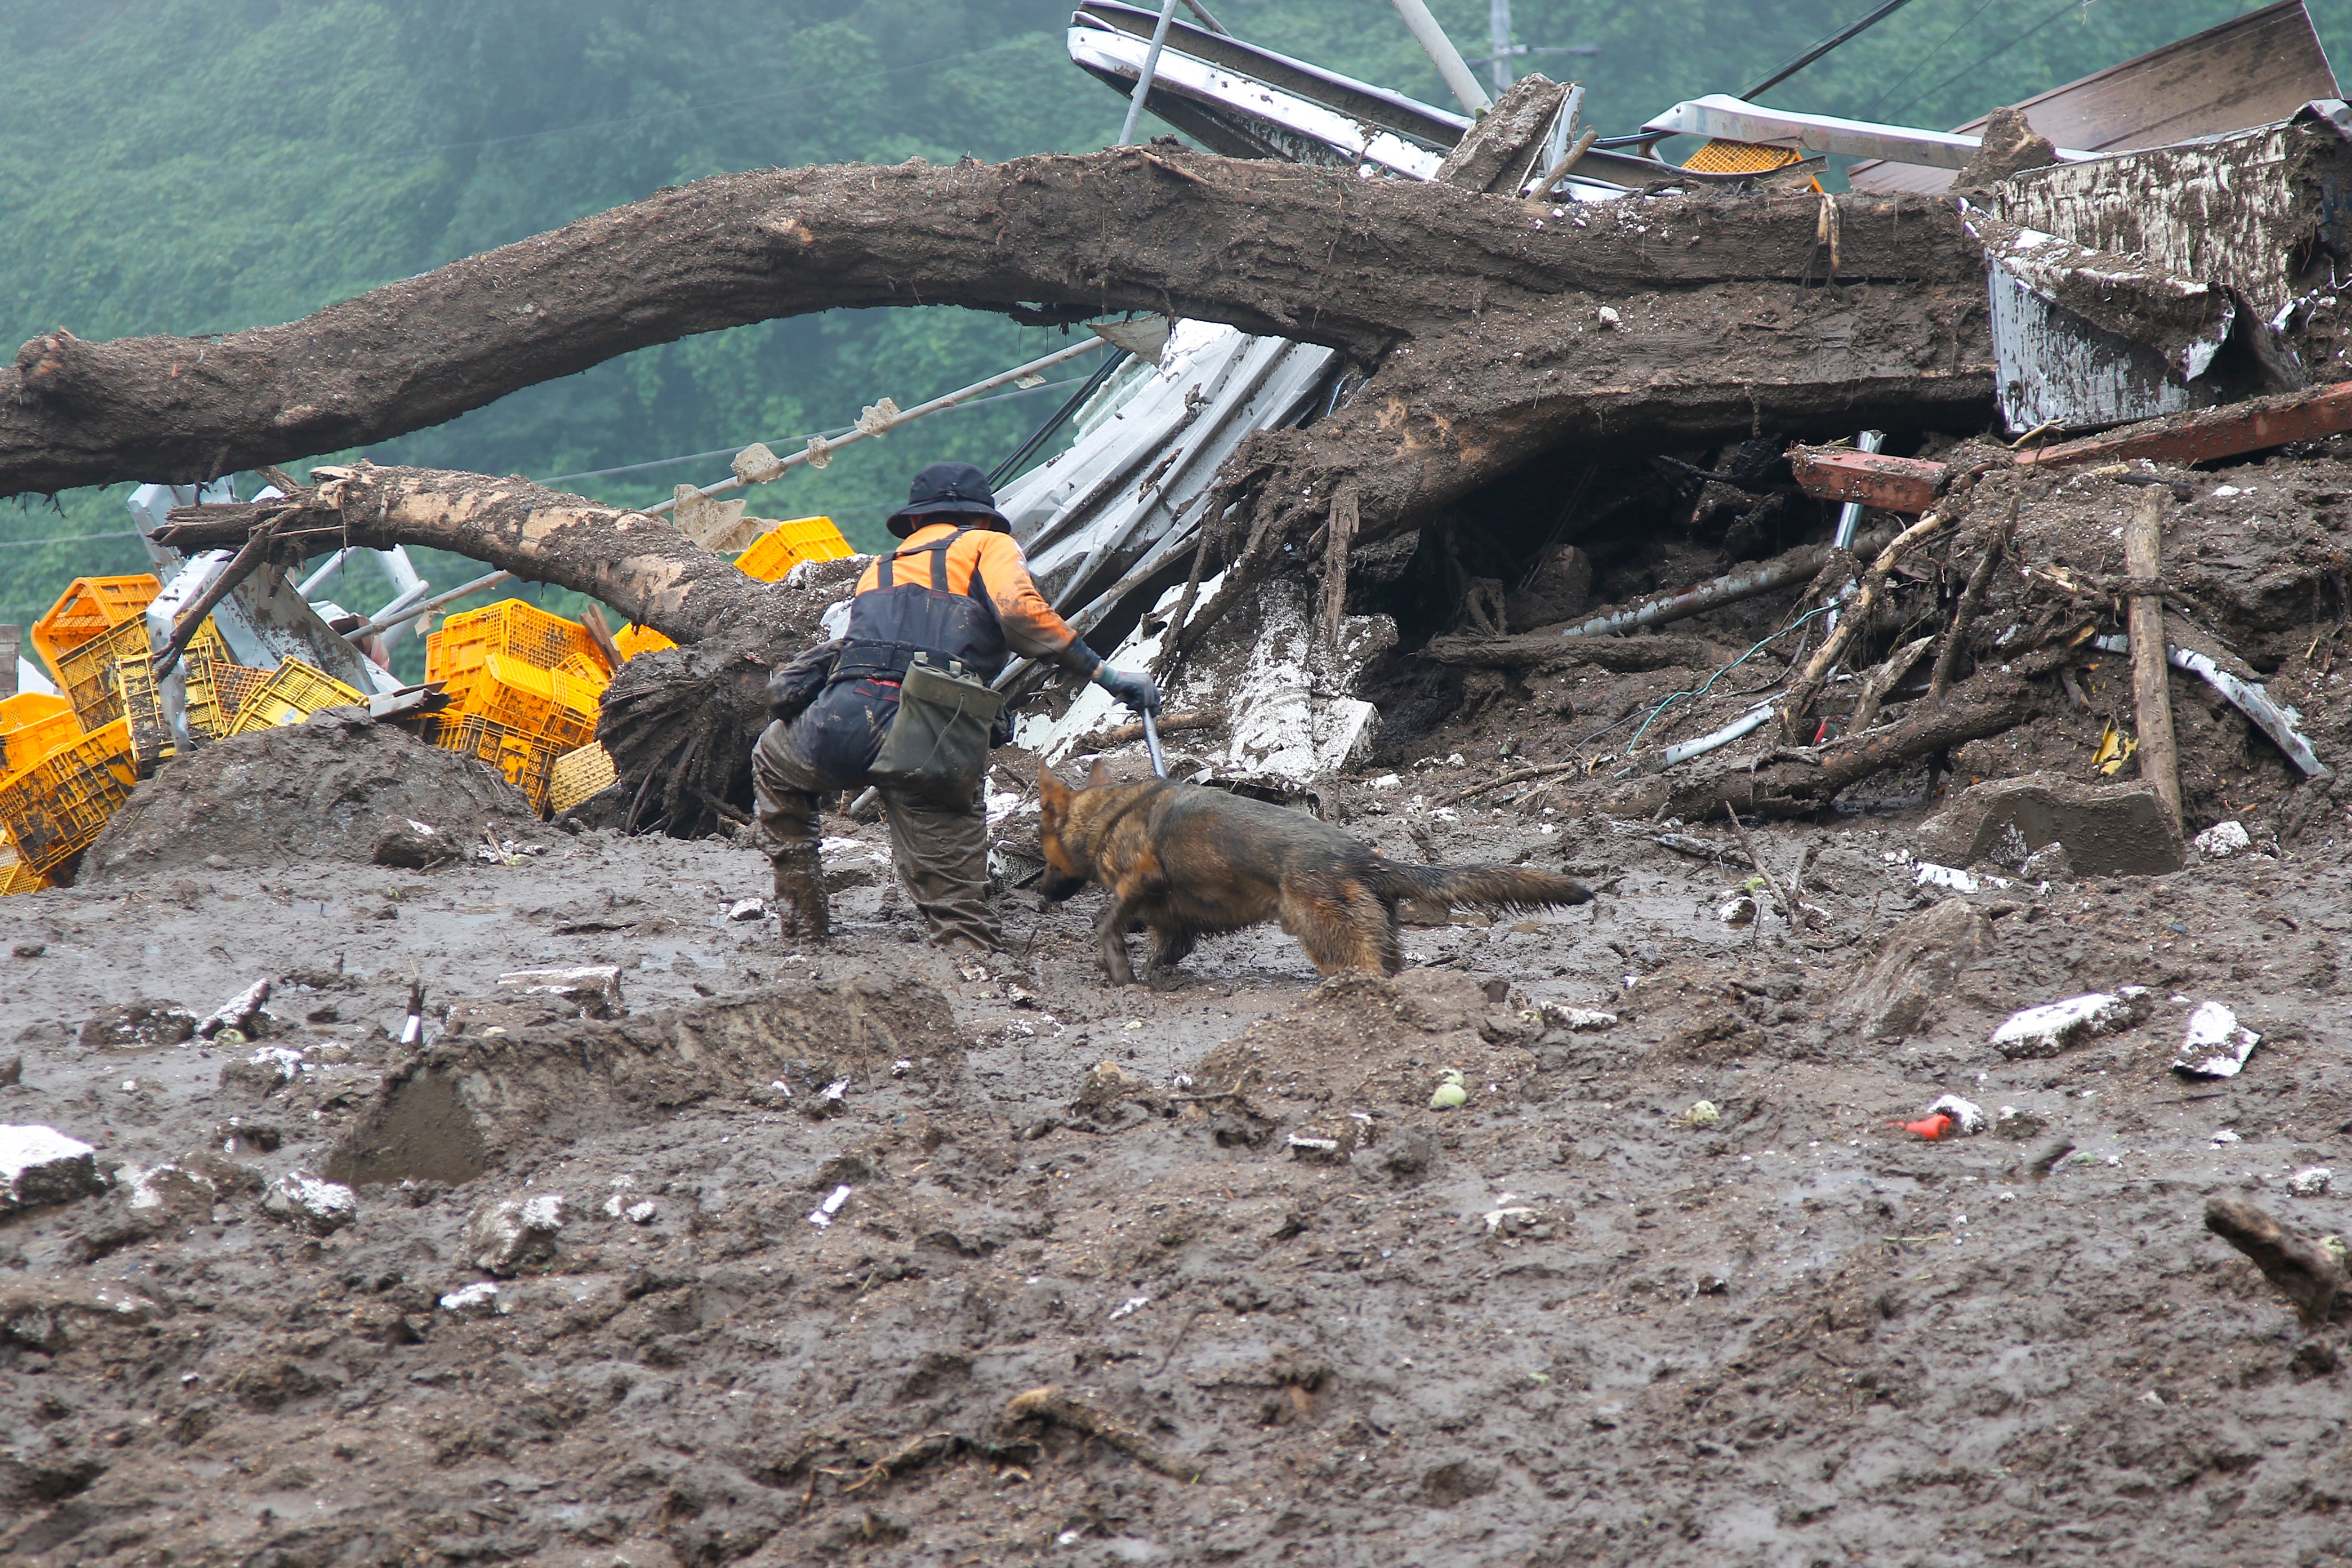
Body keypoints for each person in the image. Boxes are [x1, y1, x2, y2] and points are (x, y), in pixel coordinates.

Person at [752, 461, 1160, 952]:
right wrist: (1109, 676)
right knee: (957, 910)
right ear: (981, 518)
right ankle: (977, 979)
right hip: (929, 735)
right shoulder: (988, 544)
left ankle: (805, 930)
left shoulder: (877, 570)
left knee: (773, 759)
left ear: (916, 522)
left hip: (839, 721)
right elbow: (1018, 612)